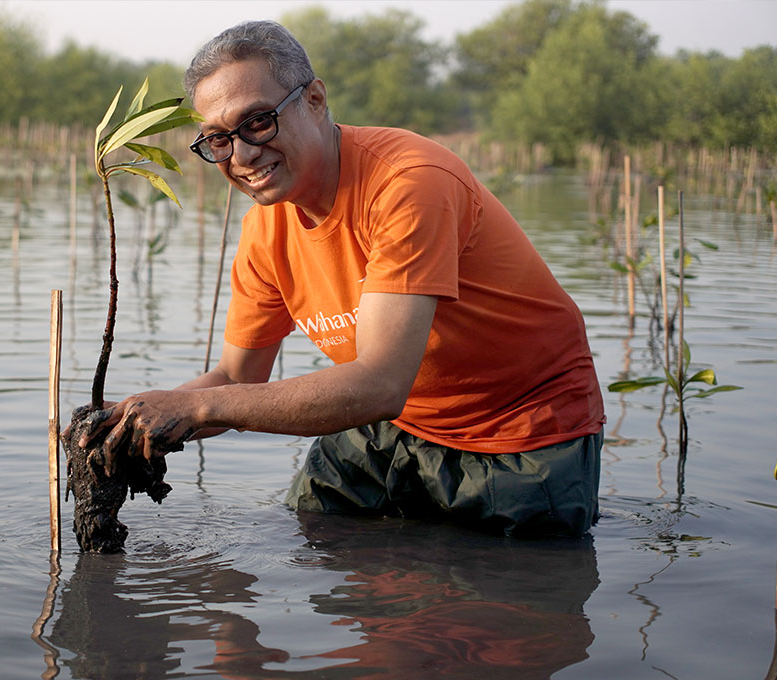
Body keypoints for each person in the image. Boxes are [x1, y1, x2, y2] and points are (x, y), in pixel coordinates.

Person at [80, 20, 606, 537]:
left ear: (314, 99)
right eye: (218, 140)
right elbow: (238, 379)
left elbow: (379, 384)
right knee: (320, 546)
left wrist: (195, 406)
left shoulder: (407, 184)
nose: (241, 156)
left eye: (257, 122)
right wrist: (127, 420)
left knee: (499, 603)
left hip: (521, 432)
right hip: (395, 428)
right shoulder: (265, 229)